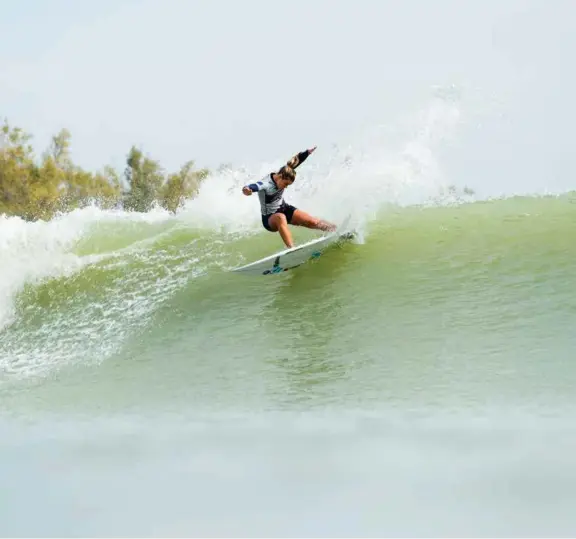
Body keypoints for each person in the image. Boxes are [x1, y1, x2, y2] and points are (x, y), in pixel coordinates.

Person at [242, 146, 336, 249]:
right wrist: (247, 189)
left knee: (312, 221)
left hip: (284, 208)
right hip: (270, 218)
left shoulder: (285, 172)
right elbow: (254, 186)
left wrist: (307, 152)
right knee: (280, 217)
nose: (286, 187)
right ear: (280, 176)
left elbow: (296, 161)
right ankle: (292, 249)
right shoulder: (266, 184)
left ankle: (334, 230)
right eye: (286, 184)